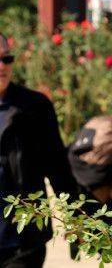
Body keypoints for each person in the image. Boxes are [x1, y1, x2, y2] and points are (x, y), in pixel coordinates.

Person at [0, 32, 77, 267]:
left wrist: (76, 221)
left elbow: (58, 168)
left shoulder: (35, 107)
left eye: (7, 58)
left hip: (23, 243)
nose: (2, 66)